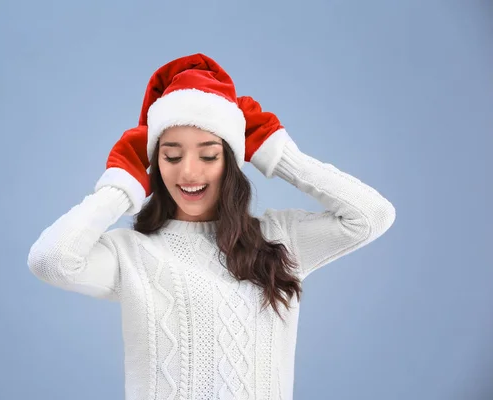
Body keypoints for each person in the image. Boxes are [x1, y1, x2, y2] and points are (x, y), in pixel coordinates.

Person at [27, 53, 396, 400]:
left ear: (232, 161)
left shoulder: (280, 239)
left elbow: (371, 215)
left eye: (208, 155)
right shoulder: (132, 253)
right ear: (154, 161)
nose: (188, 172)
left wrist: (279, 154)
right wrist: (121, 184)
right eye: (171, 155)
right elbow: (51, 260)